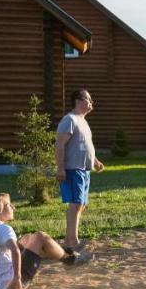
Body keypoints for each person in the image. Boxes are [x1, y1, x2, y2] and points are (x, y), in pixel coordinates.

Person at [0, 192, 81, 289]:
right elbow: (15, 251)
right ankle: (70, 259)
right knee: (40, 237)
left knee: (27, 238)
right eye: (9, 205)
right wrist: (17, 279)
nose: (13, 207)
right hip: (9, 283)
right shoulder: (3, 229)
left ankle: (52, 251)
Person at [55, 89, 104, 252]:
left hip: (84, 170)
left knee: (80, 205)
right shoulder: (69, 120)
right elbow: (60, 145)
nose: (91, 102)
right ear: (78, 100)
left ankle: (69, 239)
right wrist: (60, 168)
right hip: (72, 169)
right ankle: (72, 242)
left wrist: (95, 162)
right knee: (75, 204)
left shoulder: (83, 121)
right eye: (88, 99)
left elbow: (84, 145)